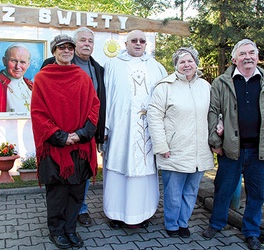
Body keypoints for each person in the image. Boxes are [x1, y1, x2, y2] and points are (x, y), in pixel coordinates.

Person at [203, 39, 264, 250]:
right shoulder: (222, 82)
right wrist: (216, 141)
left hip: (259, 151)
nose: (247, 57)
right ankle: (216, 224)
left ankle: (251, 232)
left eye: (251, 53)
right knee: (223, 190)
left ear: (257, 57)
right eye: (242, 54)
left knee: (257, 194)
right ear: (234, 58)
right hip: (231, 149)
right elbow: (213, 113)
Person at [31, 34, 100, 249]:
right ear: (54, 51)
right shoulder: (42, 78)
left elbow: (94, 106)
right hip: (56, 147)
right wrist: (61, 136)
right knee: (58, 193)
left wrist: (82, 133)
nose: (67, 50)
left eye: (70, 47)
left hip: (80, 146)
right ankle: (57, 231)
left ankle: (70, 229)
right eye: (62, 47)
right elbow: (38, 113)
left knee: (77, 192)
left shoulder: (82, 76)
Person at [41, 27, 106, 227]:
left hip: (84, 135)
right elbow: (41, 106)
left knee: (80, 181)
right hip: (58, 138)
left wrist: (88, 132)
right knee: (59, 187)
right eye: (82, 40)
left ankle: (74, 219)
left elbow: (96, 102)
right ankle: (58, 226)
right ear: (55, 51)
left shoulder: (95, 70)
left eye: (90, 41)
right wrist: (59, 135)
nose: (86, 44)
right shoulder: (47, 71)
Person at [102, 30, 167, 229]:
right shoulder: (113, 65)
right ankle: (115, 214)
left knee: (145, 172)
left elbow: (165, 99)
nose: (138, 44)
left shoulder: (157, 67)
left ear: (146, 44)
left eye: (142, 41)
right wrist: (104, 127)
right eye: (134, 40)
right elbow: (105, 97)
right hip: (120, 128)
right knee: (117, 169)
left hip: (147, 129)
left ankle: (143, 214)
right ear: (126, 43)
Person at [147, 47, 214, 238]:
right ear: (175, 64)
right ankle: (171, 223)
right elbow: (154, 117)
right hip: (174, 149)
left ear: (196, 63)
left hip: (199, 149)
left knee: (191, 191)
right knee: (173, 192)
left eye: (190, 61)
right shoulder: (165, 87)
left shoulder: (205, 86)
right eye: (182, 61)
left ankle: (183, 222)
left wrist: (219, 127)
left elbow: (214, 113)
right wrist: (161, 146)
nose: (186, 65)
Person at [0, 43, 33, 113]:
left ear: (28, 64)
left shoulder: (31, 86)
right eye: (13, 61)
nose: (17, 66)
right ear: (4, 61)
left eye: (22, 62)